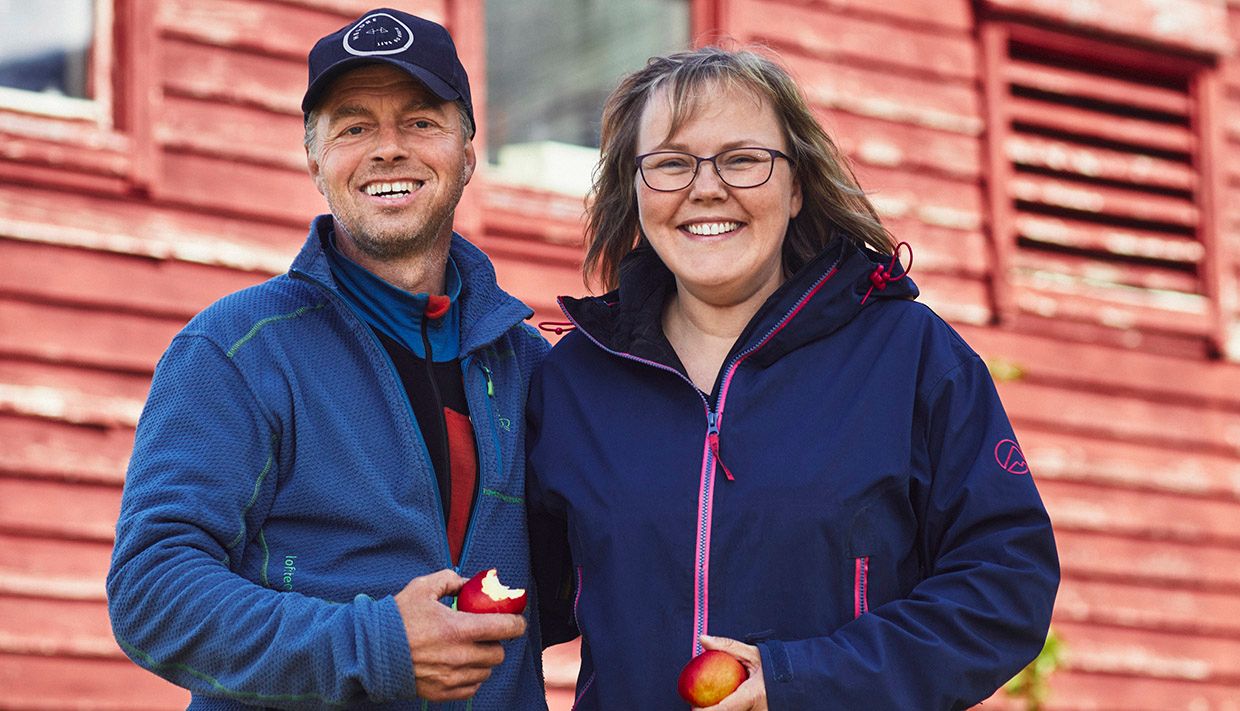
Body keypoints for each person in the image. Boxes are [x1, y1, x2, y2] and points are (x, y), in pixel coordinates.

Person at [526, 46, 1059, 710]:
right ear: (635, 192)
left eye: (742, 159)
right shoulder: (575, 382)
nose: (705, 187)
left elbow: (1006, 587)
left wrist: (804, 679)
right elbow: (514, 593)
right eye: (670, 163)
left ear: (797, 185)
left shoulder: (908, 356)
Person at [107, 8, 549, 709]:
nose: (388, 149)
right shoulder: (237, 350)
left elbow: (606, 572)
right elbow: (151, 592)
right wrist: (375, 646)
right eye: (354, 128)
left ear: (468, 154)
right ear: (316, 163)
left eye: (421, 122)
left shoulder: (528, 366)